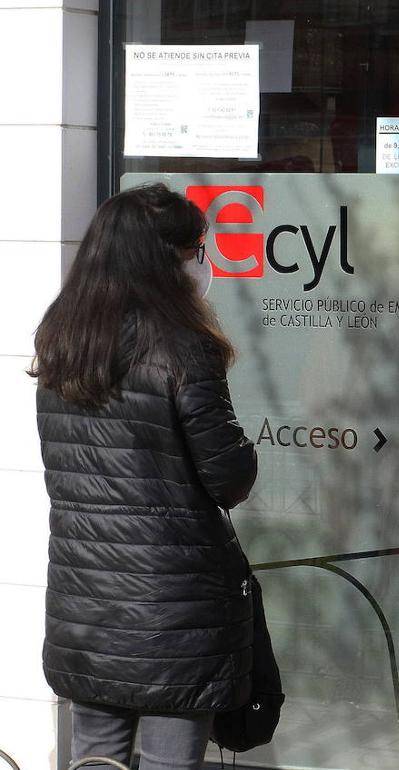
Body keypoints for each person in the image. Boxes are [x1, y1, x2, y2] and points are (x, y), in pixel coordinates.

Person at [30, 184, 258, 770]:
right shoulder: (185, 347)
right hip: (174, 610)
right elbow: (228, 478)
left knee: (95, 759)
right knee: (169, 761)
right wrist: (244, 447)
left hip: (86, 600)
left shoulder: (62, 342)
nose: (201, 264)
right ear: (166, 260)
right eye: (196, 251)